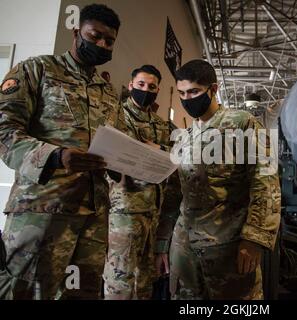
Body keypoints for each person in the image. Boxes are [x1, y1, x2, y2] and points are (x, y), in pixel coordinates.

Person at [0, 4, 124, 300]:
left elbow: (113, 143)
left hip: (93, 218)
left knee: (81, 293)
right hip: (42, 212)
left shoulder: (106, 92)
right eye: (95, 36)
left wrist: (125, 162)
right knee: (26, 292)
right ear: (76, 31)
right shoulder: (36, 69)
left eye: (109, 41)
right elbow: (4, 132)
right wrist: (56, 156)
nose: (102, 45)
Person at [162, 59, 281, 300]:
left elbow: (265, 182)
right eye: (182, 93)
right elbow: (175, 193)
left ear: (213, 89)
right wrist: (162, 241)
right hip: (185, 248)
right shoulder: (184, 137)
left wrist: (255, 238)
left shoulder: (242, 124)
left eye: (194, 91)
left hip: (227, 247)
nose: (187, 99)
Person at [103, 65, 172, 300]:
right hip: (124, 211)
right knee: (120, 279)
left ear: (157, 90)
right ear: (131, 85)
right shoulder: (115, 117)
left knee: (144, 281)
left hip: (152, 212)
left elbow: (176, 154)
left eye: (152, 87)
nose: (146, 90)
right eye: (141, 85)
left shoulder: (161, 125)